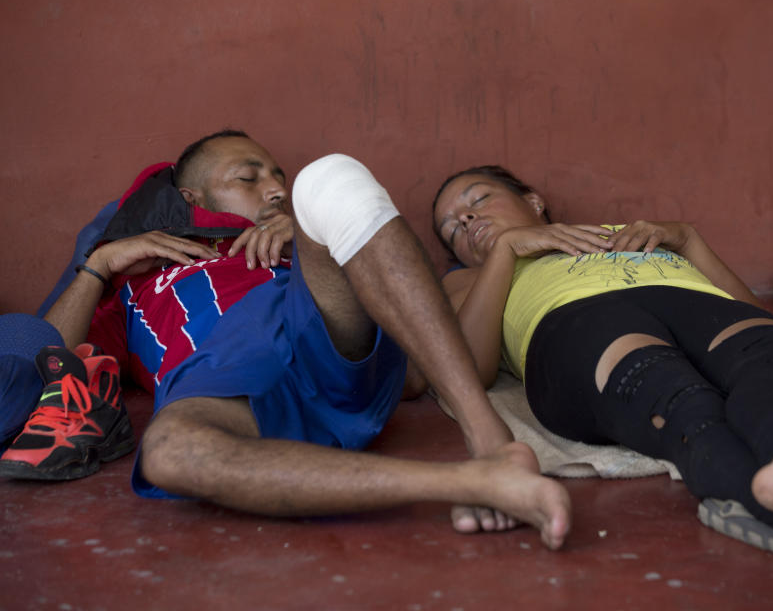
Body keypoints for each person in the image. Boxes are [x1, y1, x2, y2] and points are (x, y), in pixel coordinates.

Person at [0, 133, 571, 550]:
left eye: (277, 177)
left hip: (320, 331)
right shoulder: (136, 280)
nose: (274, 188)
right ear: (193, 195)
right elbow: (44, 349)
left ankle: (488, 439)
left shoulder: (294, 236)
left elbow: (377, 261)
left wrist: (307, 225)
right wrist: (98, 267)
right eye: (249, 179)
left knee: (331, 175)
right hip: (219, 386)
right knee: (169, 450)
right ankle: (471, 484)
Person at [431, 164, 773, 573]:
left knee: (767, 349)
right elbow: (469, 370)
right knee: (665, 387)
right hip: (576, 327)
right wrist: (506, 250)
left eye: (478, 198)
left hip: (688, 303)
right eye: (453, 227)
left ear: (534, 201)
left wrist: (687, 239)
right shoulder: (467, 279)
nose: (467, 217)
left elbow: (758, 314)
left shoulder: (621, 233)